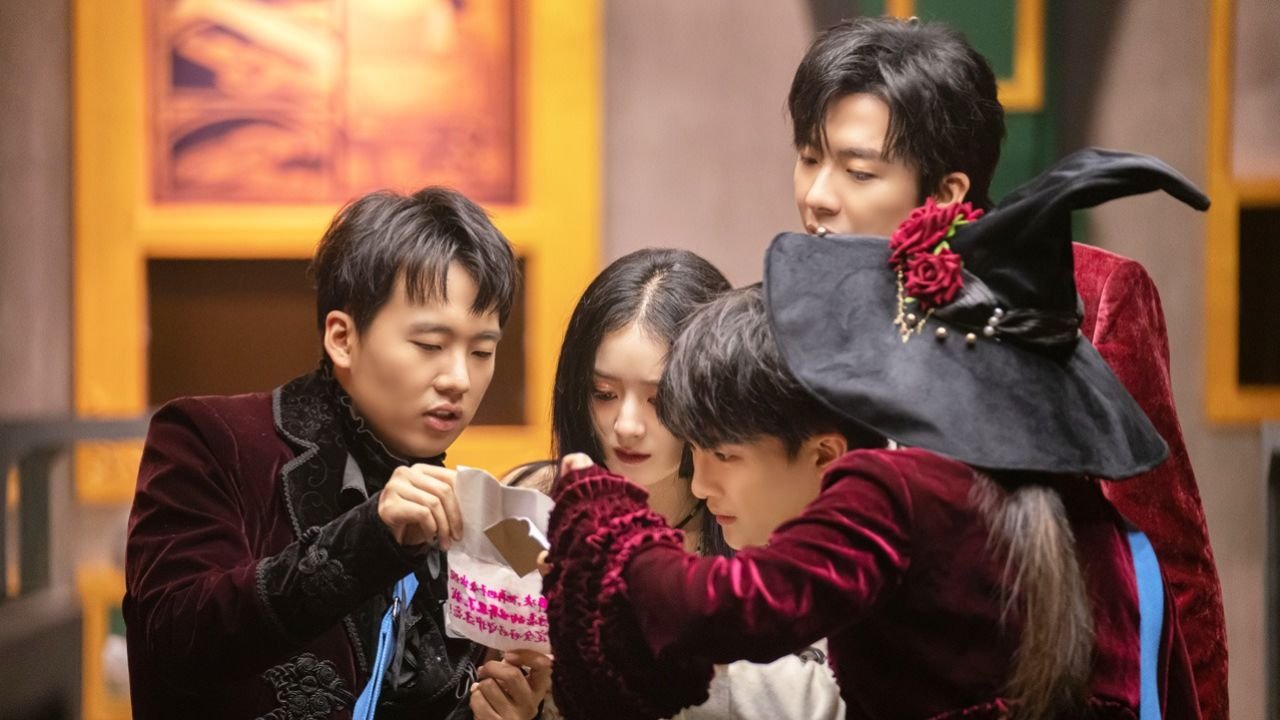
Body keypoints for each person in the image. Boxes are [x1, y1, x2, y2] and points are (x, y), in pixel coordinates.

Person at [542, 150, 1207, 719]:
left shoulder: (899, 489)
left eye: (722, 452)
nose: (701, 481)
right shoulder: (1093, 518)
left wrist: (601, 518)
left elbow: (728, 608)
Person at [786, 18, 1227, 719]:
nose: (817, 195)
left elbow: (1174, 565)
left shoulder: (1092, 294)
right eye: (808, 158)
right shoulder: (798, 307)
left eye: (857, 171)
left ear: (947, 192)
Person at [124, 187, 550, 719]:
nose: (459, 379)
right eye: (430, 345)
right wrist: (368, 536)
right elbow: (174, 640)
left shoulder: (468, 517)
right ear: (343, 338)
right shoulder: (210, 439)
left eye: (482, 351)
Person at [506, 248, 844, 719]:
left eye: (659, 398)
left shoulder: (756, 515)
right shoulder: (527, 503)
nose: (626, 425)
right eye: (604, 394)